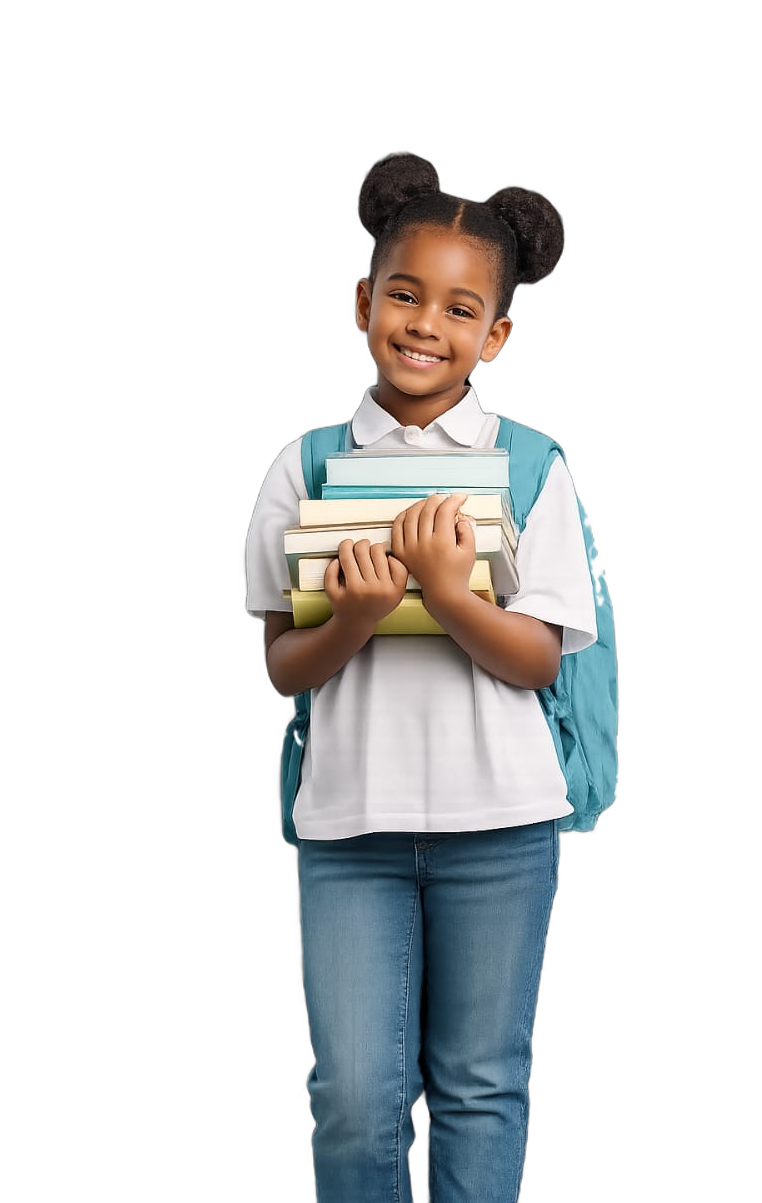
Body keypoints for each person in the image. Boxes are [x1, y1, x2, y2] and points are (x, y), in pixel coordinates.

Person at [245, 151, 605, 1202]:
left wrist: (451, 598)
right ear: (363, 303)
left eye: (458, 307)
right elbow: (282, 665)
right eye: (402, 293)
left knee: (481, 1084)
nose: (422, 323)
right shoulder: (304, 464)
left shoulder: (531, 464)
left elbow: (540, 655)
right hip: (349, 827)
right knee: (353, 1093)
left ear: (493, 334)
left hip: (502, 824)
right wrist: (354, 615)